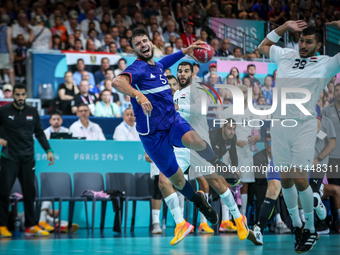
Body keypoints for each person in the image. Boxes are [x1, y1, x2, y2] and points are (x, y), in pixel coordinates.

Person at [112, 28, 242, 242]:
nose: (143, 45)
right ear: (134, 49)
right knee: (178, 181)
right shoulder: (138, 68)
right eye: (138, 44)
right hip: (153, 136)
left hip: (172, 121)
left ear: (151, 42)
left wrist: (187, 50)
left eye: (145, 40)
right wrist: (138, 94)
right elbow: (117, 82)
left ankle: (220, 166)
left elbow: (166, 61)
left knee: (196, 140)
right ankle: (200, 204)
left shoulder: (157, 66)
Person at [258, 21, 340, 252]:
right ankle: (297, 226)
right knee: (286, 181)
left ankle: (311, 229)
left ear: (319, 45)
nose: (303, 45)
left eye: (308, 42)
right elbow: (262, 46)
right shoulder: (286, 55)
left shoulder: (326, 64)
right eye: (301, 40)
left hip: (305, 126)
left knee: (300, 179)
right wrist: (284, 27)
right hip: (279, 126)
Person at [0, 84, 54, 238]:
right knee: (3, 193)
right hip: (9, 158)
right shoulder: (3, 111)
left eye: (23, 94)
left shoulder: (32, 111)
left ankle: (31, 225)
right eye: (17, 95)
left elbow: (39, 132)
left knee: (30, 193)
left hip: (28, 158)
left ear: (26, 95)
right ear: (13, 96)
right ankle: (2, 225)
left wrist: (48, 150)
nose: (20, 98)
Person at [222, 85, 261, 217]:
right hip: (230, 153)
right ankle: (226, 219)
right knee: (227, 183)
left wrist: (255, 138)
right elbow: (222, 134)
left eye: (244, 92)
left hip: (246, 153)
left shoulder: (254, 112)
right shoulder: (227, 112)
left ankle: (242, 217)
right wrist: (235, 141)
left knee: (244, 184)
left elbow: (259, 135)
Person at [209, 119, 239, 233]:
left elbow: (233, 155)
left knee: (229, 180)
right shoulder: (213, 136)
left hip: (215, 164)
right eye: (229, 128)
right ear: (223, 128)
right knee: (224, 180)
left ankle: (226, 221)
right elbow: (207, 157)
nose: (232, 132)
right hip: (201, 162)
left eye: (234, 129)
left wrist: (235, 171)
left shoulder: (232, 138)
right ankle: (222, 222)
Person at [0, 14, 15, 86]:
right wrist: (11, 54)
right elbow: (8, 42)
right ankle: (13, 88)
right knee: (11, 70)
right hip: (5, 51)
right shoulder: (8, 29)